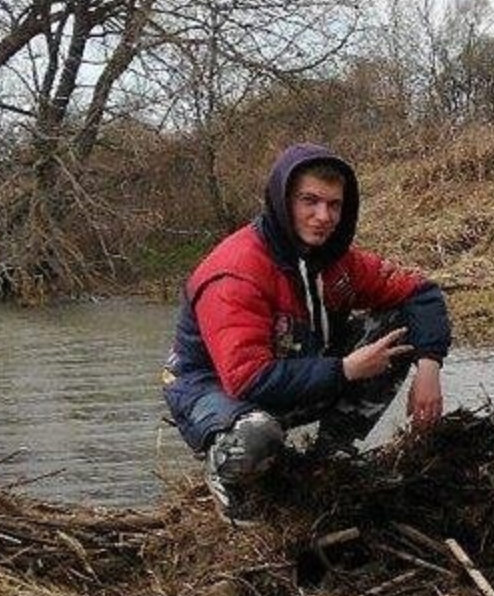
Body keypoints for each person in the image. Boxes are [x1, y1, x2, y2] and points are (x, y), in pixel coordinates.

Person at [162, 142, 450, 515]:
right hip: (214, 389)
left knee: (396, 326)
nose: (323, 216)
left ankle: (332, 457)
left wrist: (429, 365)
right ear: (283, 202)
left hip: (296, 365)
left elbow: (420, 291)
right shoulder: (236, 272)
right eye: (309, 201)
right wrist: (345, 369)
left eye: (334, 205)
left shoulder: (337, 261)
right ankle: (225, 473)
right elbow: (248, 380)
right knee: (256, 436)